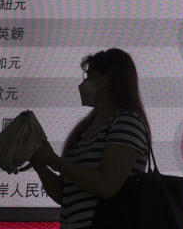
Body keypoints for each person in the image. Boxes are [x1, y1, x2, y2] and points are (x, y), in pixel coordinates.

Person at [29, 48, 150, 229]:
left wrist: (54, 160)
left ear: (107, 80)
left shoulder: (127, 122)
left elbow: (106, 185)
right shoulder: (85, 130)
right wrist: (38, 160)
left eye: (89, 77)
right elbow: (66, 196)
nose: (83, 84)